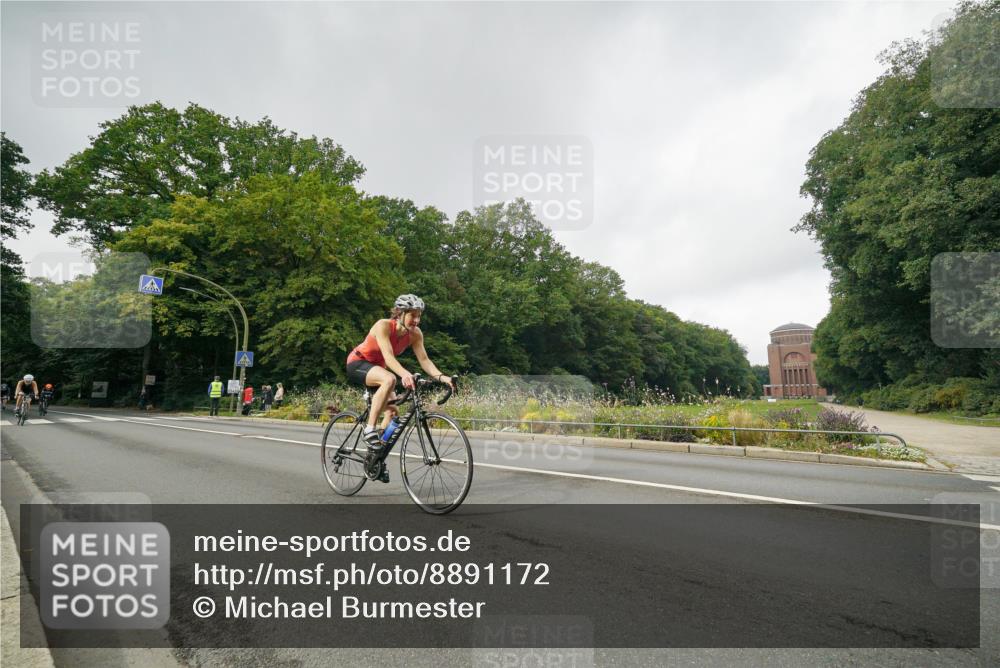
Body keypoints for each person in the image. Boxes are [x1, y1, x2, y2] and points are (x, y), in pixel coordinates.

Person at [346, 294, 455, 476]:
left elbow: (425, 361)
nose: (417, 320)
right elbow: (388, 356)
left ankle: (374, 457)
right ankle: (369, 430)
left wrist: (444, 378)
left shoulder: (415, 335)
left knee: (393, 413)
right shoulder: (383, 326)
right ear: (400, 313)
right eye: (413, 315)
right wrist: (404, 374)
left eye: (419, 315)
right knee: (390, 379)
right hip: (358, 362)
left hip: (378, 370)